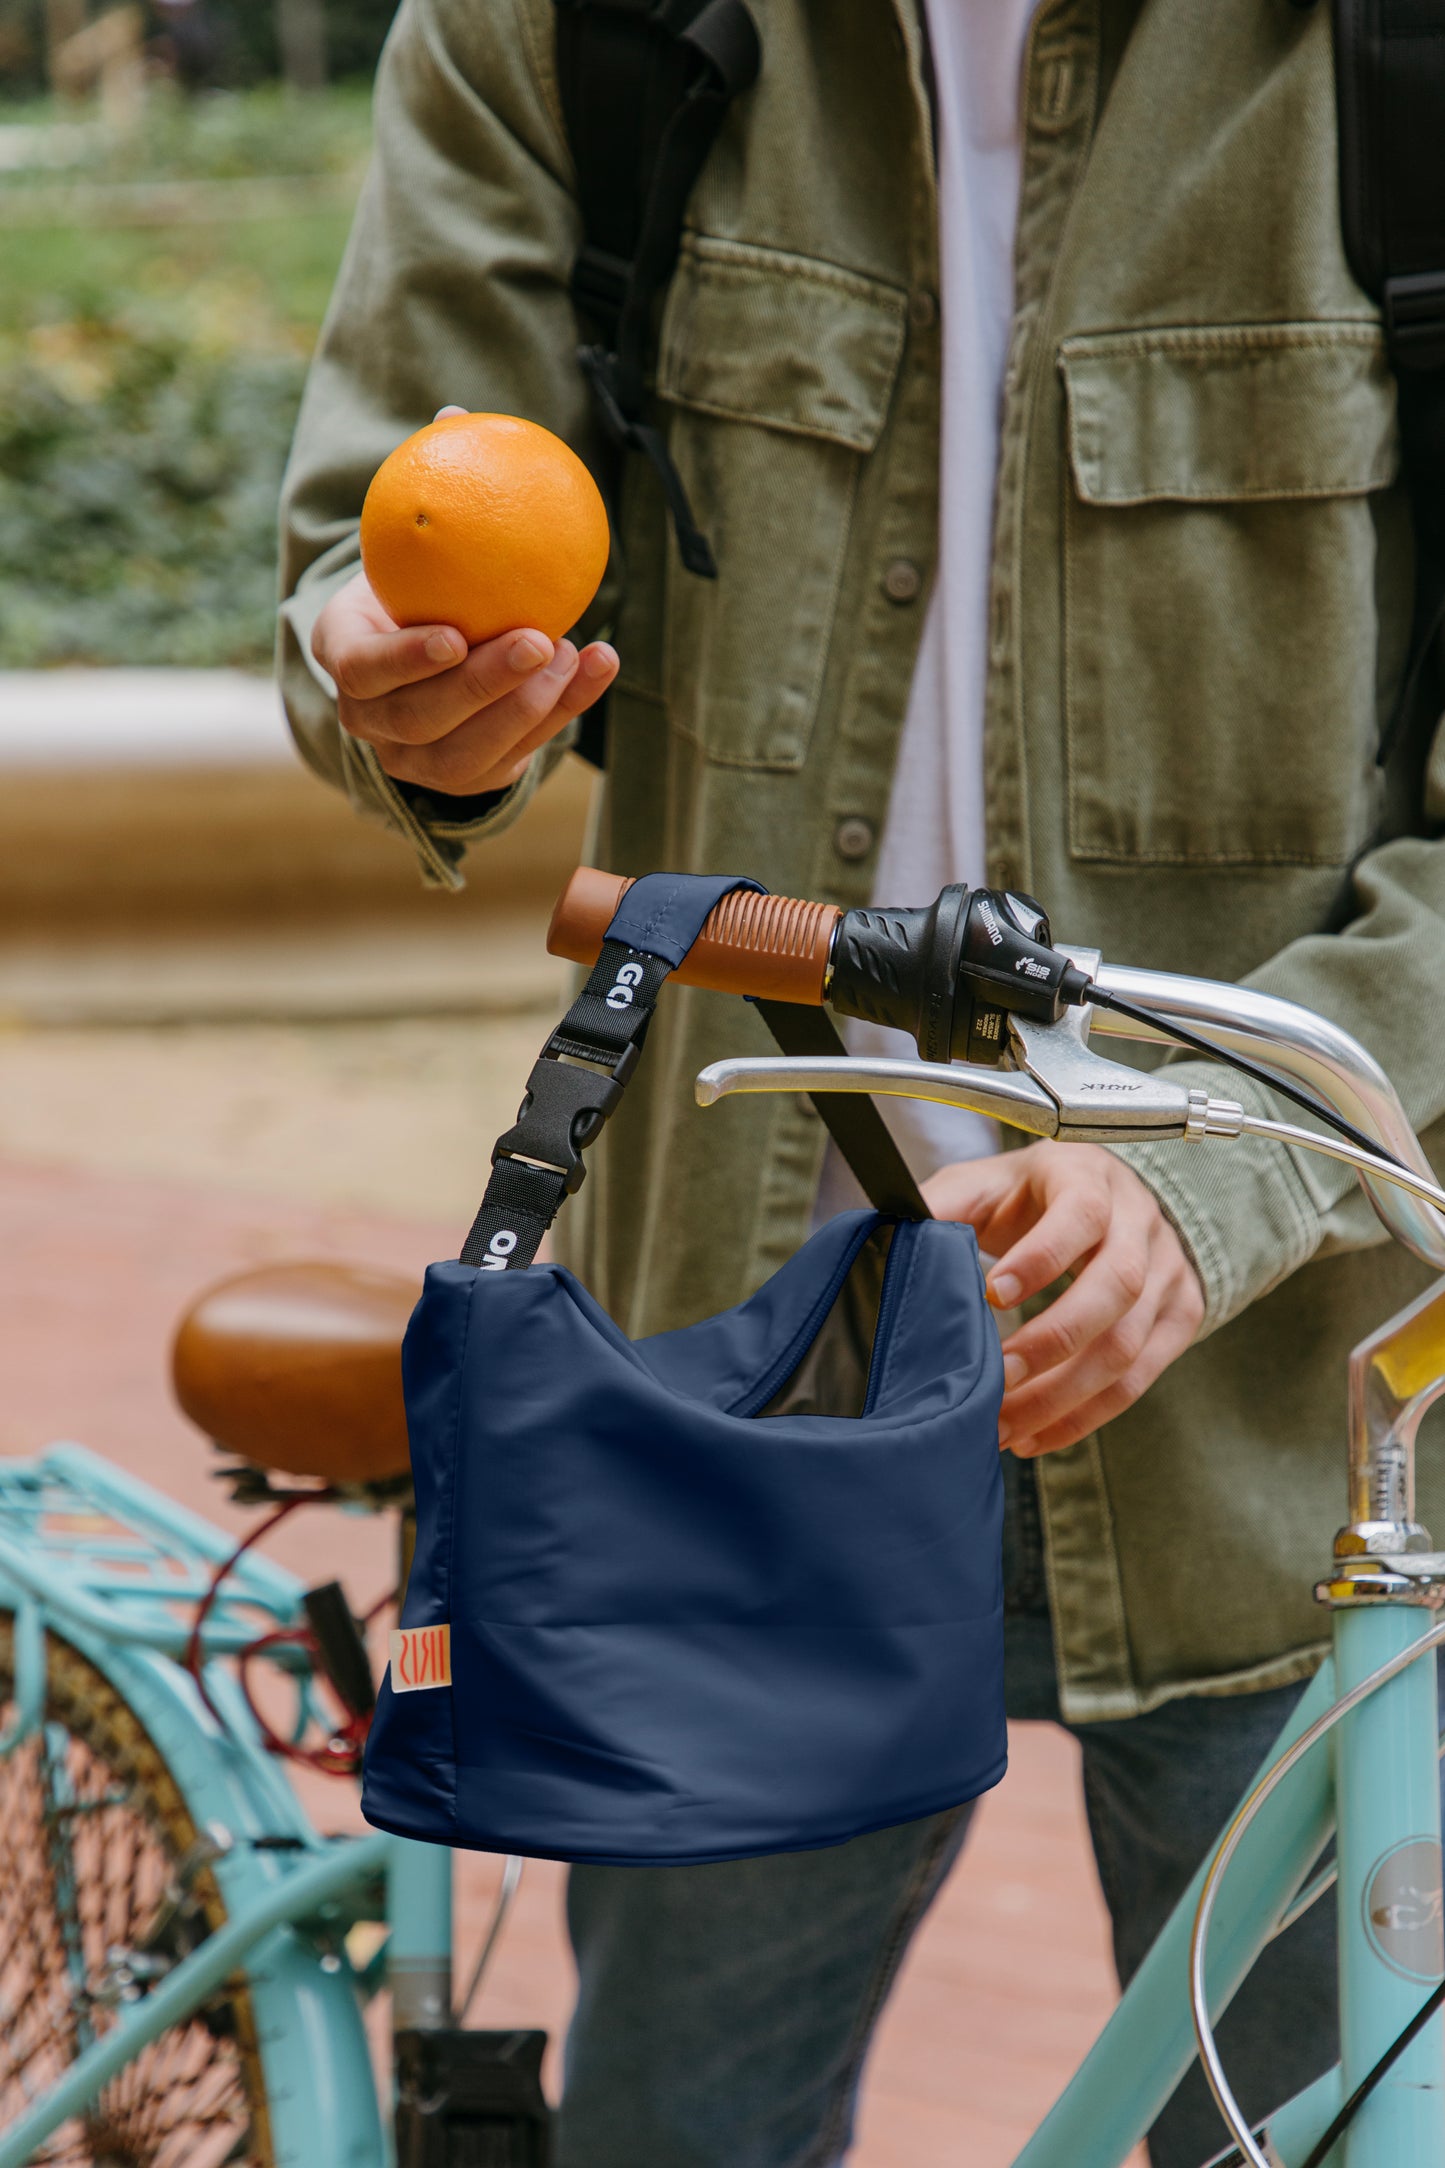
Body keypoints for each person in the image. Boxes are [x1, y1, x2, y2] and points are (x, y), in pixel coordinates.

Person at [277, 3, 1445, 2161]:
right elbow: (365, 561)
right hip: (736, 1412)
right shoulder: (571, 27)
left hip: (1284, 1441)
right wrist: (402, 684)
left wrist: (1213, 1193)